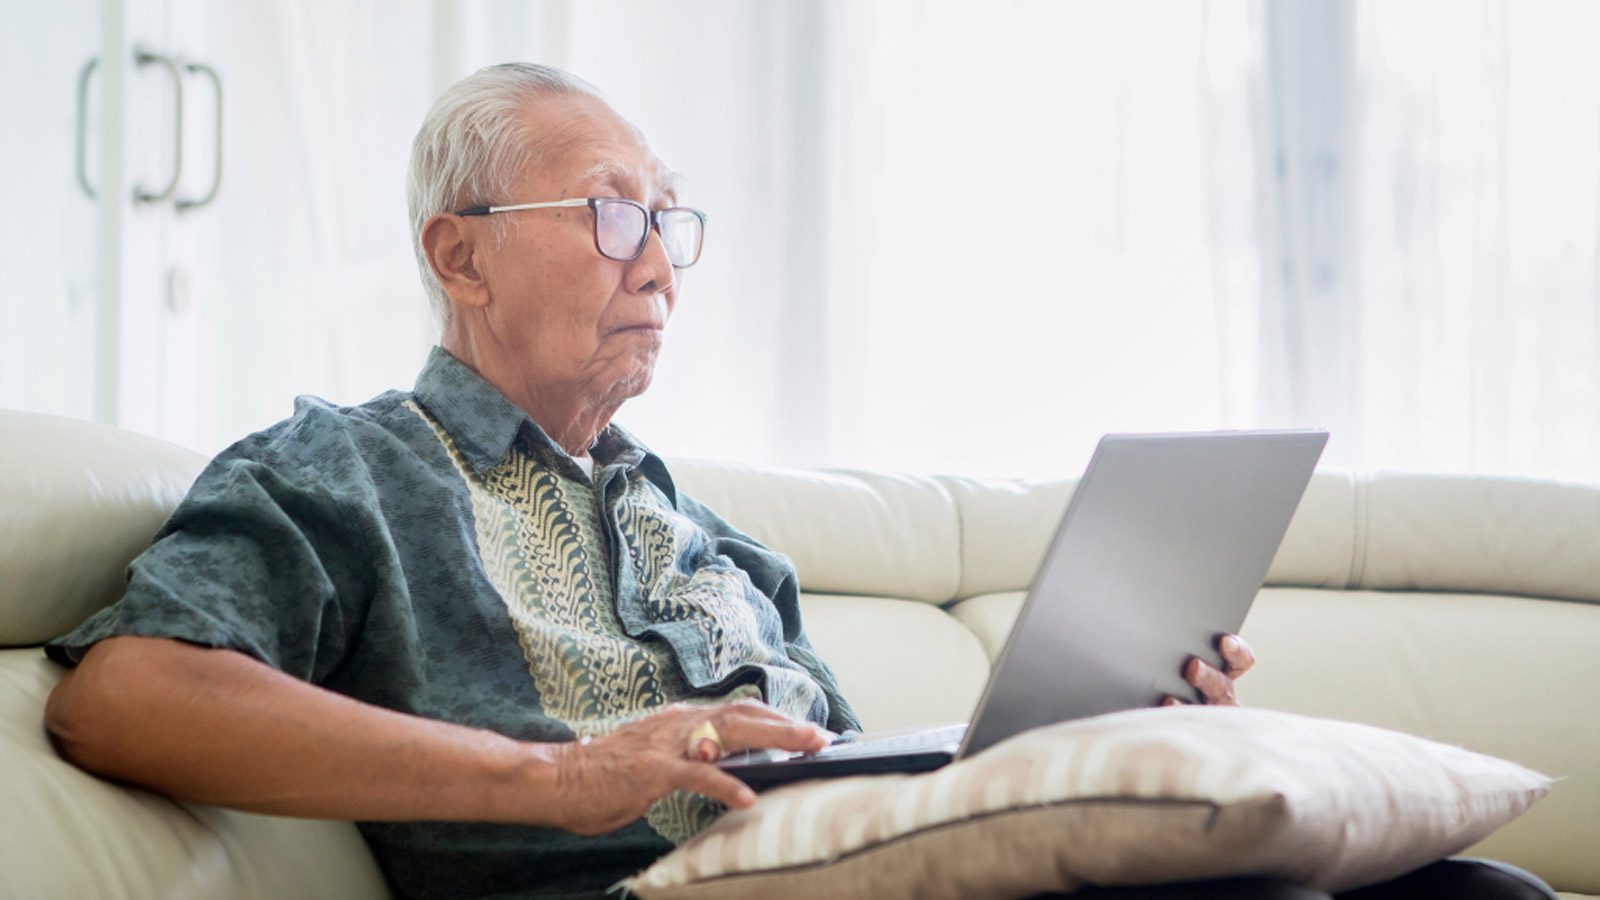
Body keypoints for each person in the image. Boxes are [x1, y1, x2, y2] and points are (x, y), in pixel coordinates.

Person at [41, 64, 1554, 900]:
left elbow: (865, 779)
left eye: (673, 223)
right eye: (615, 213)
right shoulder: (344, 474)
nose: (661, 267)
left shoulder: (714, 543)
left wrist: (1114, 731)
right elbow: (121, 696)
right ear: (459, 252)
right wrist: (552, 778)